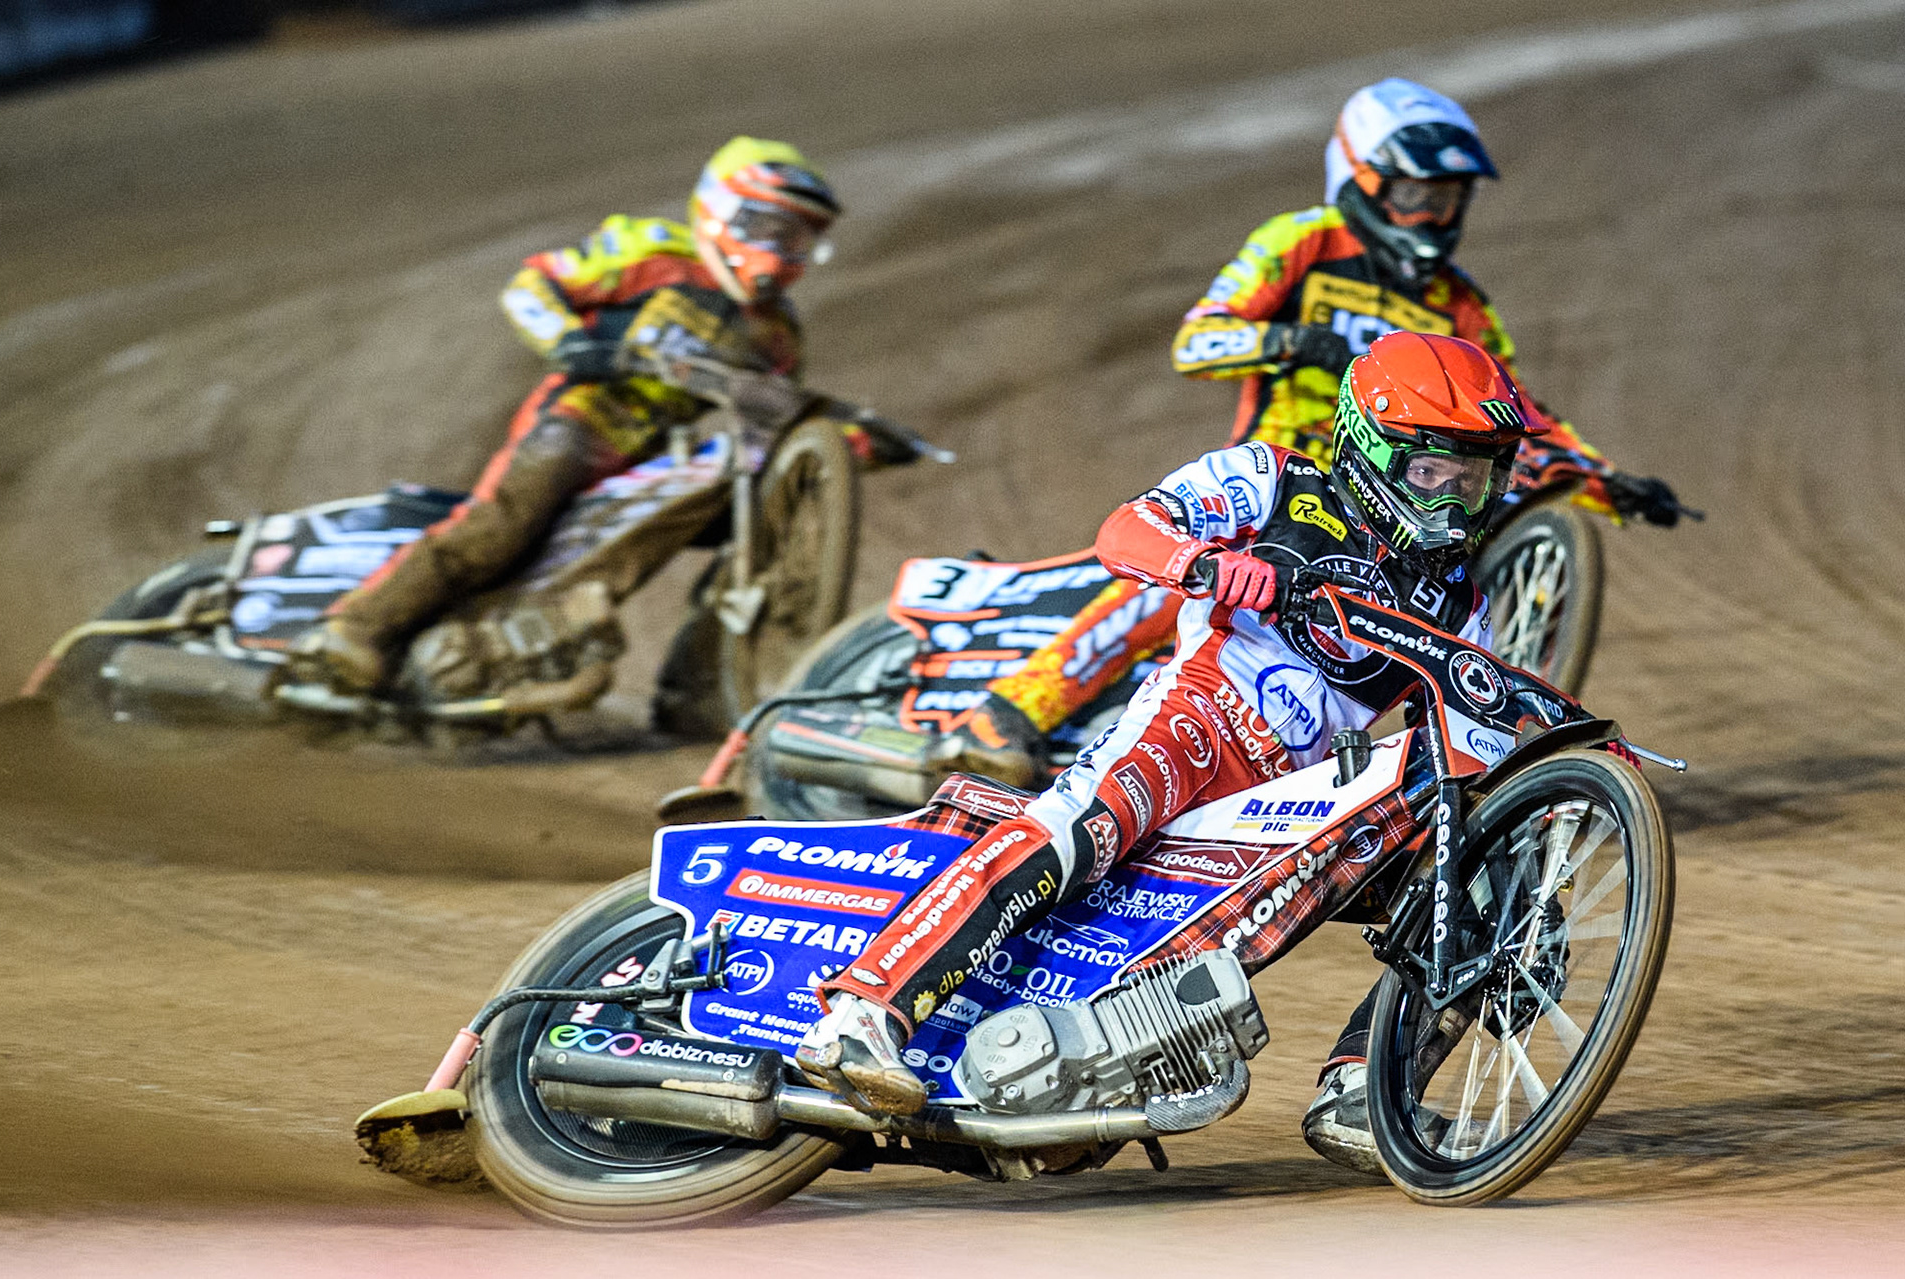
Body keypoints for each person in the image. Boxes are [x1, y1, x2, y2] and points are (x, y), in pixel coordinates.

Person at [796, 331, 1539, 1141]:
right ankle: (866, 1012)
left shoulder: (1463, 600)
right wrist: (1207, 566)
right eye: (1432, 473)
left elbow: (1463, 738)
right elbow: (1128, 530)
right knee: (1078, 831)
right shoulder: (1276, 479)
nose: (1451, 502)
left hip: (1296, 800)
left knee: (1483, 894)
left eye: (1473, 480)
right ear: (1370, 447)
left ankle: (1361, 1094)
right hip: (1198, 718)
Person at [960, 78, 1683, 787]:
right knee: (1180, 575)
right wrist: (1298, 344)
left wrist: (1611, 484)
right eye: (1413, 196)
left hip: (1397, 505)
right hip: (1277, 484)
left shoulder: (1461, 306)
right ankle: (1003, 717)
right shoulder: (1303, 240)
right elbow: (1198, 343)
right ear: (1361, 180)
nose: (1431, 216)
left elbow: (1513, 415)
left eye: (1446, 200)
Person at [287, 137, 844, 695]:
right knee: (502, 527)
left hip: (653, 459)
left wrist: (855, 444)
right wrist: (572, 344)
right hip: (581, 421)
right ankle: (355, 627)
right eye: (772, 230)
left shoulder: (778, 333)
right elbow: (534, 285)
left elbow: (784, 424)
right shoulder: (651, 252)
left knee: (744, 520)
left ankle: (694, 690)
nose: (783, 252)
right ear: (725, 212)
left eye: (799, 239)